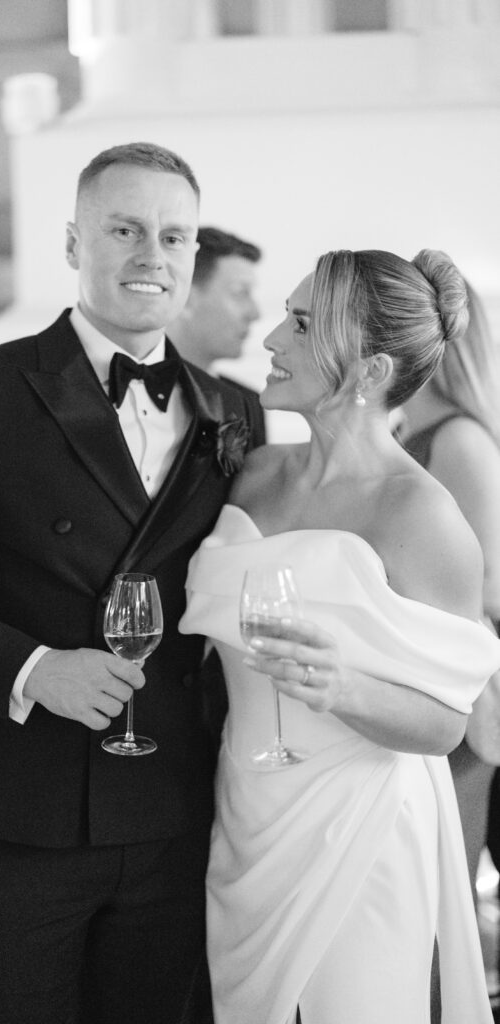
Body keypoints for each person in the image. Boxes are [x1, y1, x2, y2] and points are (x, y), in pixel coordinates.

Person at [0, 141, 261, 1024]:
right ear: (74, 244)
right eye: (124, 229)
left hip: (181, 807)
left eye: (174, 235)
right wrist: (34, 667)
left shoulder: (236, 413)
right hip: (24, 809)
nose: (151, 255)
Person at [179, 248, 500, 1023]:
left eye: (298, 324)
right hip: (245, 805)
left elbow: (448, 723)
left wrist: (343, 686)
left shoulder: (418, 513)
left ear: (366, 372)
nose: (271, 341)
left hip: (362, 824)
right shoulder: (252, 471)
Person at [398, 281, 500, 888]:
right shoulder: (410, 430)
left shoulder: (460, 440)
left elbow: (489, 588)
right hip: (418, 686)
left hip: (453, 693)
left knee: (443, 885)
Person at [168, 226, 267, 446]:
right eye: (240, 293)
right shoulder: (112, 388)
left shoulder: (248, 404)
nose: (255, 313)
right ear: (186, 298)